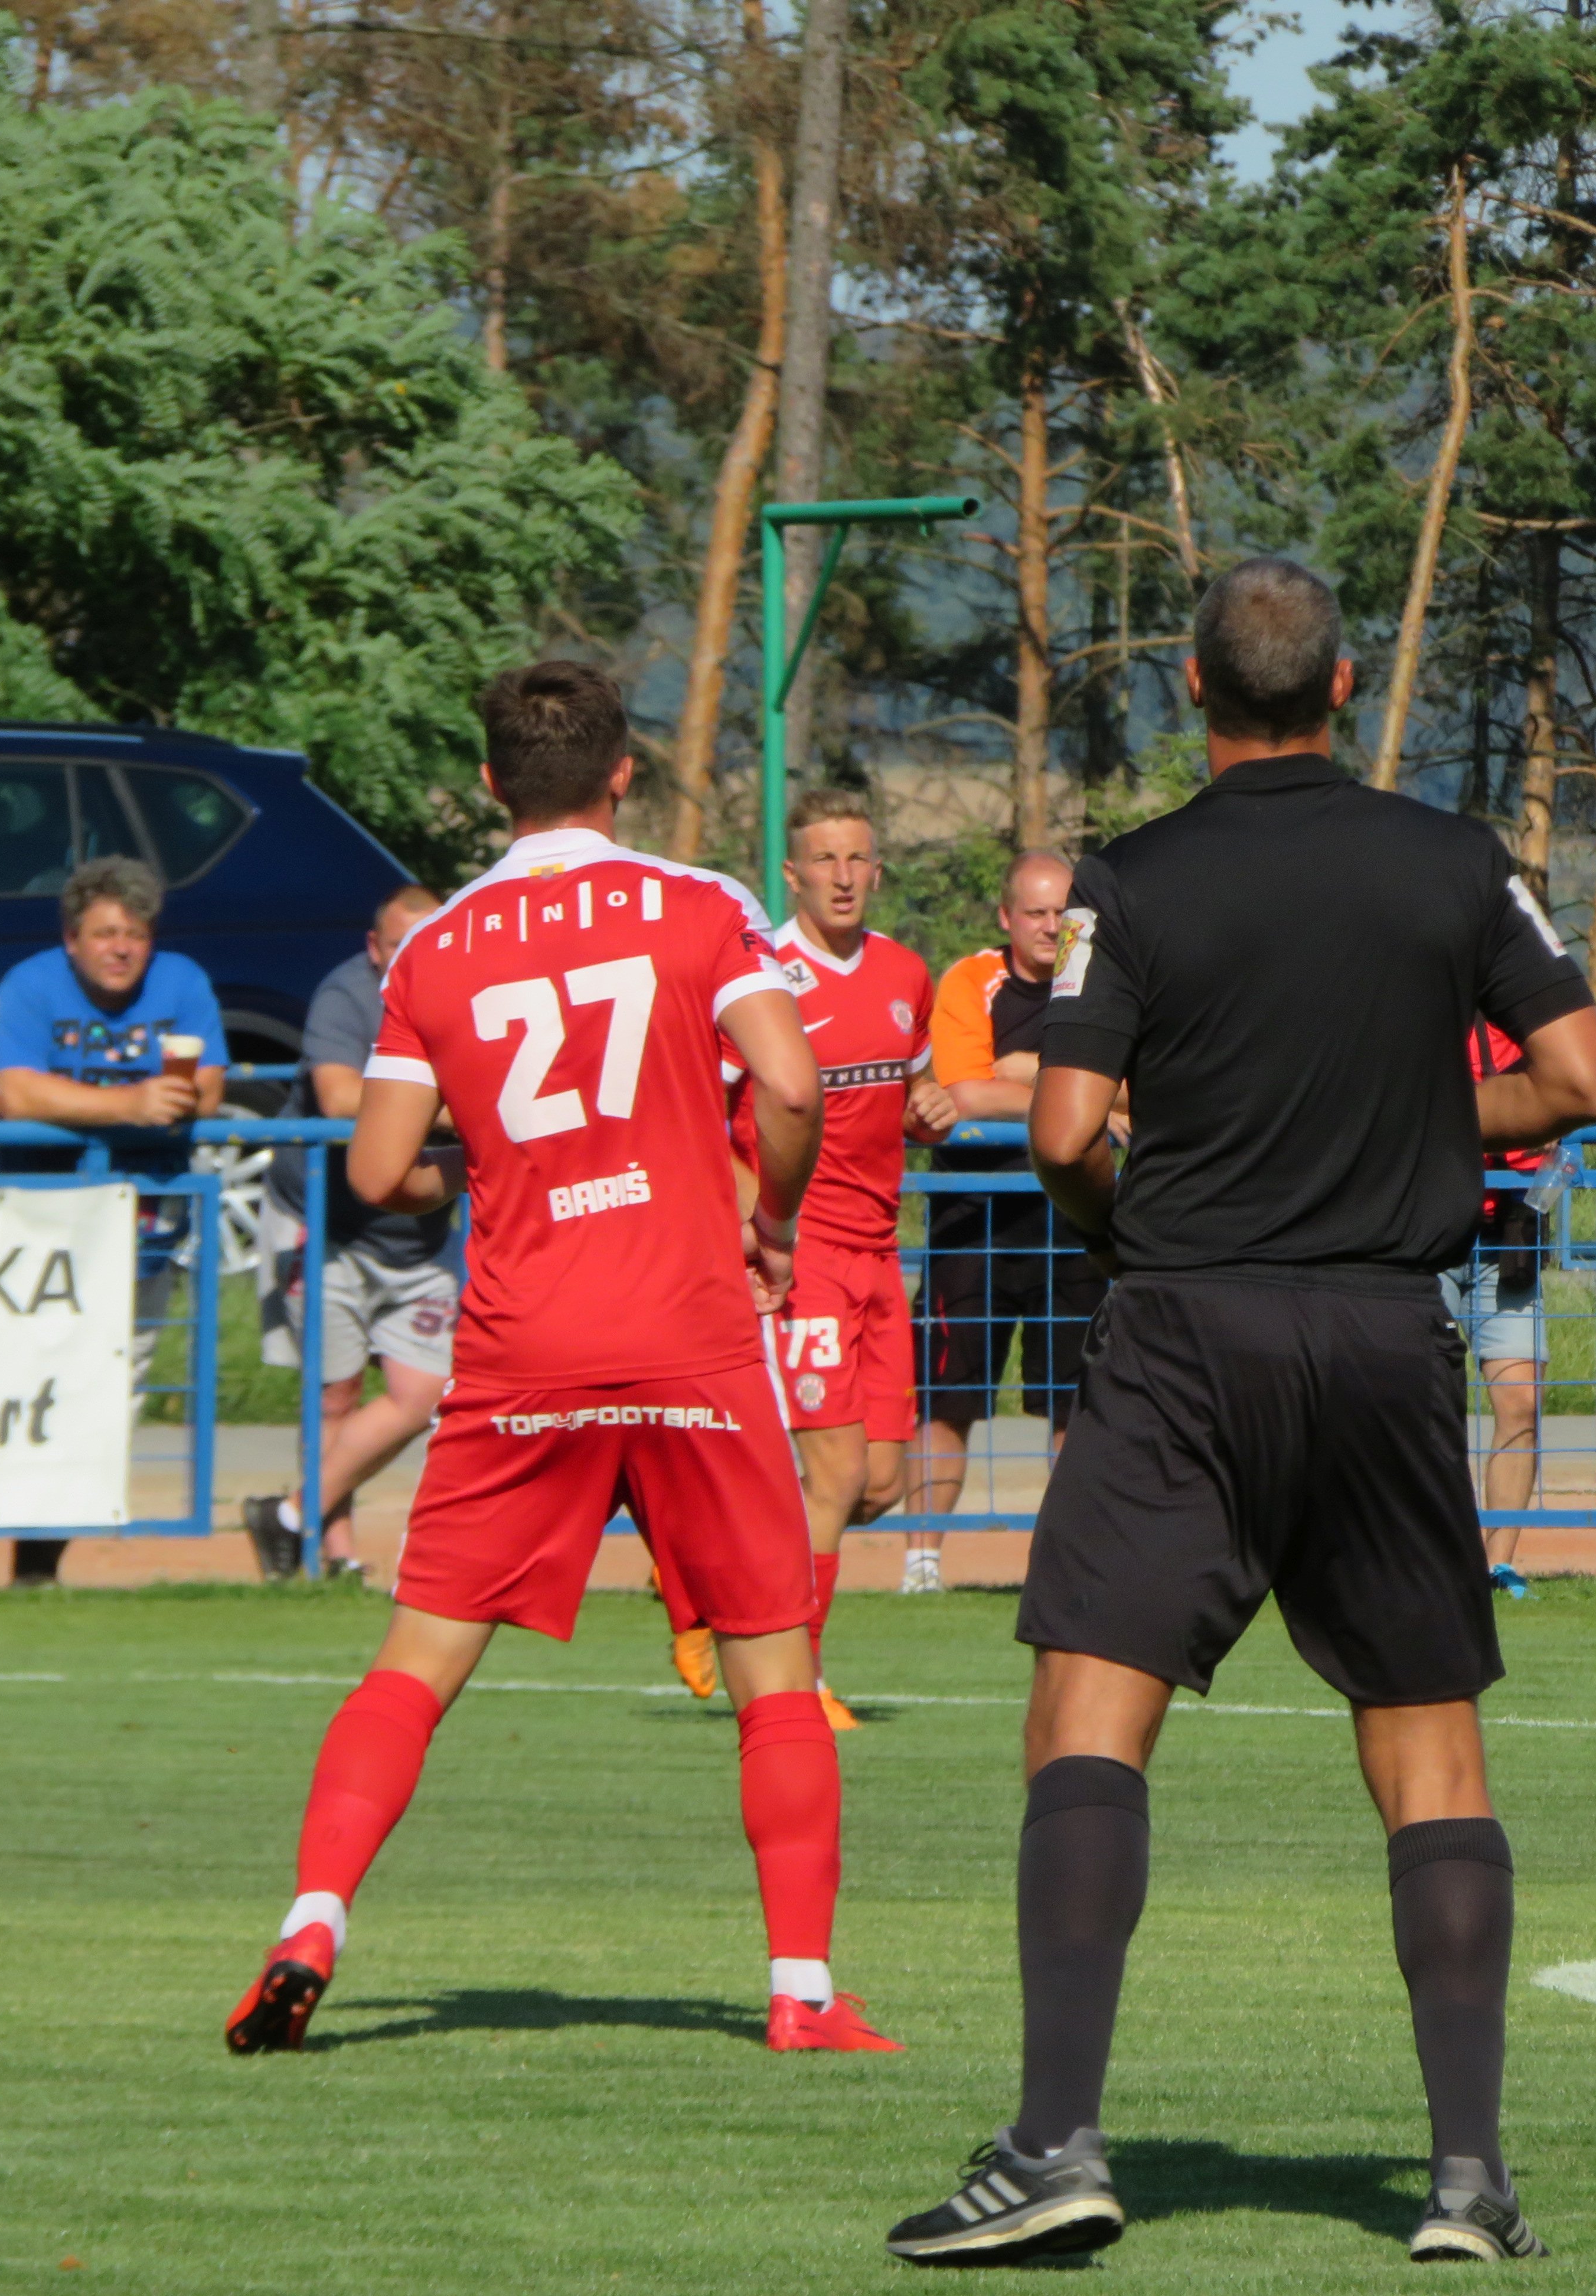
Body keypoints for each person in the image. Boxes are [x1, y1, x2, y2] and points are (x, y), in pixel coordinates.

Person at [883, 559, 1596, 2265]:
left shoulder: (1129, 881)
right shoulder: (1454, 862)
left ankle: (1056, 2142)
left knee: (1087, 1714)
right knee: (1428, 1746)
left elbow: (1062, 1130)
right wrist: (1417, 1128)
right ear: (1344, 685)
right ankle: (1466, 2182)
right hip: (1383, 1332)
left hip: (1183, 1332)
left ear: (1194, 692)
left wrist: (1133, 1211)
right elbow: (1588, 1079)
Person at [223, 659, 897, 2058]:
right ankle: (802, 1990)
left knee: (415, 1664)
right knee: (773, 1670)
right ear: (622, 774)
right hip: (689, 1329)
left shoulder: (434, 947)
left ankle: (312, 1919)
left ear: (489, 784)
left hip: (525, 1339)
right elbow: (790, 1085)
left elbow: (380, 1169)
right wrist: (772, 1221)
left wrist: (480, 1167)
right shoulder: (699, 904)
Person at [699, 788, 954, 1715]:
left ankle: (709, 1582)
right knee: (835, 1476)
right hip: (802, 1257)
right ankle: (797, 1682)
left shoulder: (904, 973)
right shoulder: (761, 980)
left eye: (857, 860)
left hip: (882, 1257)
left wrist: (933, 1108)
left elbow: (915, 1096)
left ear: (876, 870)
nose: (843, 877)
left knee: (878, 1484)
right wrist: (756, 1227)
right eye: (825, 860)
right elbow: (706, 1117)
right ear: (792, 873)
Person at [0, 855, 228, 1588]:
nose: (122, 948)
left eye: (136, 934)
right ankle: (26, 1542)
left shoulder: (182, 982)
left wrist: (171, 1101)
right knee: (36, 1374)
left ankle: (44, 1557)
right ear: (72, 938)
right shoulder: (31, 984)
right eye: (105, 933)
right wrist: (129, 1105)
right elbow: (19, 1094)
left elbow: (208, 1089)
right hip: (45, 1220)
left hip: (146, 1221)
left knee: (121, 1379)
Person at [243, 885, 456, 1583]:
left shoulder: (472, 987)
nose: (413, 957)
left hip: (417, 1230)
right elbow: (338, 1098)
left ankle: (289, 1515)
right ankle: (332, 1554)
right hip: (324, 1218)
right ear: (374, 947)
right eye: (399, 945)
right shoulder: (345, 994)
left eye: (427, 942)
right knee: (334, 1394)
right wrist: (448, 1104)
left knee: (424, 1393)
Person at [909, 848, 1109, 1591]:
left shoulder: (1100, 980)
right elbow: (962, 1094)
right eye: (1036, 913)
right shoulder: (972, 981)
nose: (1051, 927)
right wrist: (1070, 1091)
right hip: (974, 1223)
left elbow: (1137, 1087)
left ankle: (1065, 1567)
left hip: (1071, 1224)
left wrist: (1020, 1072)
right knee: (946, 1400)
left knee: (1074, 1405)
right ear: (1006, 917)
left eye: (1063, 913)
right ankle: (921, 1563)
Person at [1443, 1020, 1596, 1598]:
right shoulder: (1417, 1003)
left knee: (1521, 1402)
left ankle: (1497, 1566)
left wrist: (1549, 1114)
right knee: (1419, 1405)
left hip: (1509, 1237)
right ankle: (1431, 1562)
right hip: (1423, 1228)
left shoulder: (1534, 1017)